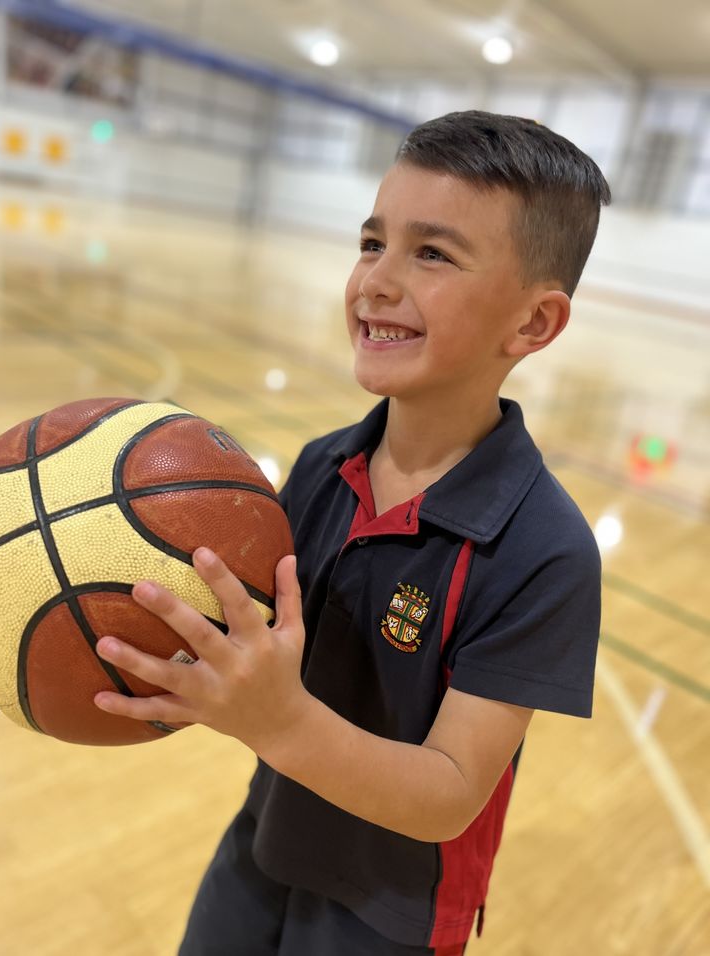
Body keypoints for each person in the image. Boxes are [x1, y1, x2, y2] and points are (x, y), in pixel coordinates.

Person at [94, 110, 611, 955]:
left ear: (533, 325)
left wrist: (276, 721)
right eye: (373, 242)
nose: (375, 279)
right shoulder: (322, 464)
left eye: (432, 253)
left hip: (393, 911)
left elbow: (449, 791)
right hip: (266, 839)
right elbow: (257, 644)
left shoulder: (544, 549)